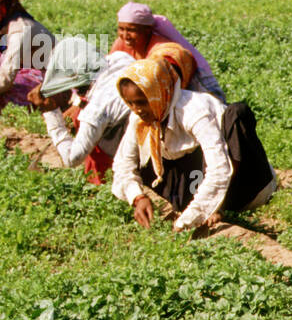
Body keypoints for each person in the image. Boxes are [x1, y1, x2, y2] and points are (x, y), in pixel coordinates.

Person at [111, 54, 276, 233]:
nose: (137, 110)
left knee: (237, 113)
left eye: (143, 102)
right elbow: (123, 166)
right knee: (141, 153)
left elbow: (219, 168)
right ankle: (197, 205)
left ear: (158, 93)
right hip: (195, 178)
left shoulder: (193, 111)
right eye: (130, 103)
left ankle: (217, 207)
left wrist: (190, 218)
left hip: (244, 183)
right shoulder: (140, 119)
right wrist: (138, 197)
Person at [34, 36, 135, 185]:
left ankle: (102, 182)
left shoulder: (95, 111)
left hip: (138, 140)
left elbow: (71, 159)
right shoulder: (120, 58)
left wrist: (51, 114)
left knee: (92, 132)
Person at [110, 1, 225, 101]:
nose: (125, 35)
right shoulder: (121, 44)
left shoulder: (163, 52)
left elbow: (162, 91)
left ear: (148, 30)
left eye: (131, 30)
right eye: (121, 29)